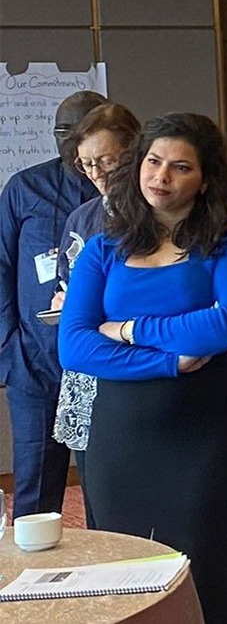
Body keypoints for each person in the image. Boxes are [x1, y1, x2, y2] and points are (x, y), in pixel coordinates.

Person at [58, 112, 227, 624]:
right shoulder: (104, 248)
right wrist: (172, 360)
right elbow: (76, 347)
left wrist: (128, 329)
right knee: (123, 578)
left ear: (205, 178)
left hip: (209, 435)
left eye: (179, 167)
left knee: (207, 578)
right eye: (153, 161)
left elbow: (225, 325)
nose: (161, 177)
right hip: (119, 441)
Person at [0, 88, 108, 517]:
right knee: (34, 489)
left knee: (105, 483)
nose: (70, 146)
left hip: (100, 359)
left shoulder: (126, 193)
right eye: (62, 134)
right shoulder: (25, 187)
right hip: (34, 361)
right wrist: (9, 347)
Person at [51, 102, 142, 527]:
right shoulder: (81, 218)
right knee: (100, 497)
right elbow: (66, 289)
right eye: (87, 163)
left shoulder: (157, 215)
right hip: (89, 369)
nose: (97, 173)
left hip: (141, 359)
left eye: (107, 160)